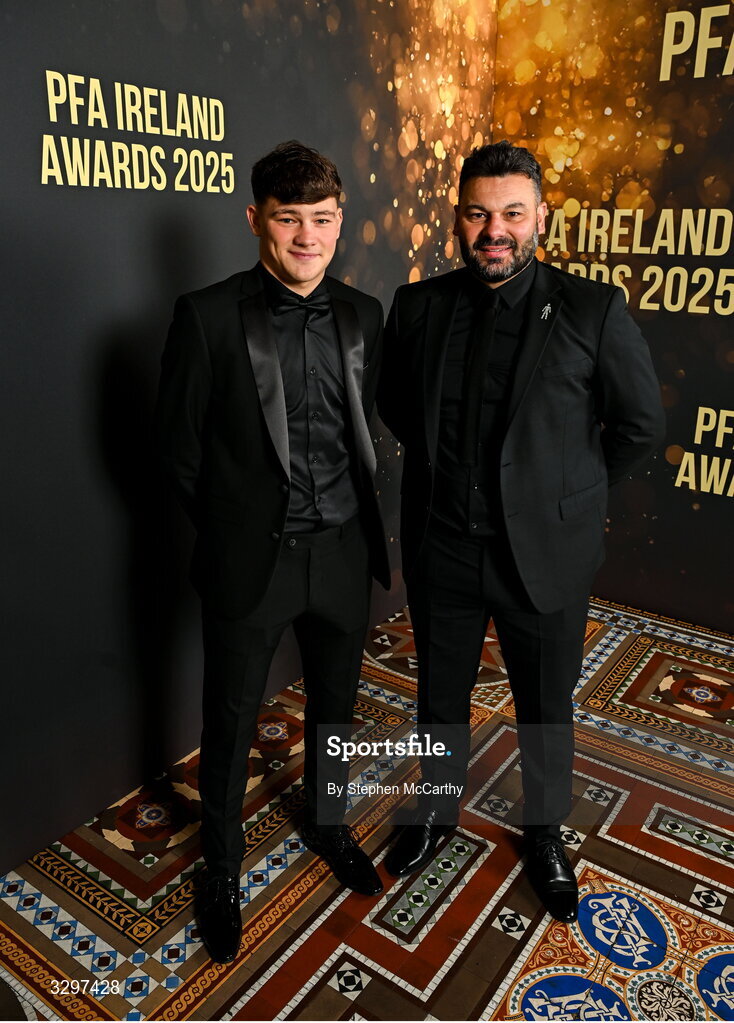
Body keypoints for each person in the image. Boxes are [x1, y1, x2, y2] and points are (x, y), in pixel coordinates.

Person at [377, 141, 664, 922]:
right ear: (457, 218)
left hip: (545, 554)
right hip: (443, 546)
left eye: (510, 213)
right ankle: (435, 812)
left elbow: (640, 425)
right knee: (439, 698)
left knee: (546, 706)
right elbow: (398, 406)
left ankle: (544, 834)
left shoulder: (590, 308)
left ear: (541, 217)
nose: (493, 230)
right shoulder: (418, 307)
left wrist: (566, 489)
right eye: (477, 213)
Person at [155, 141, 390, 963]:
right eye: (289, 220)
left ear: (339, 221)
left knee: (336, 709)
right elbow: (179, 454)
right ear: (256, 220)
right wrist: (234, 529)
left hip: (343, 553)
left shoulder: (365, 314)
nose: (307, 238)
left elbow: (367, 431)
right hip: (253, 562)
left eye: (322, 221)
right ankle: (220, 871)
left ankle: (328, 825)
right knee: (229, 723)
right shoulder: (208, 315)